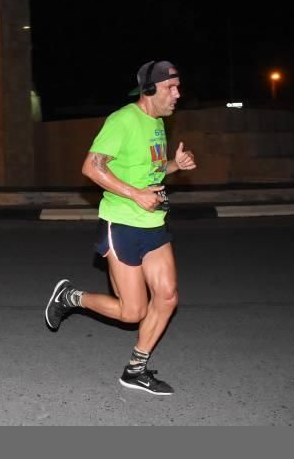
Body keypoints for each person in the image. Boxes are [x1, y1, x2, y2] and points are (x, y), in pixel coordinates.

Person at [45, 60, 197, 396]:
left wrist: (174, 165)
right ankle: (71, 296)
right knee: (133, 311)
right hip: (123, 224)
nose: (177, 94)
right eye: (171, 87)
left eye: (178, 87)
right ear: (151, 89)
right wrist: (136, 195)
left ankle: (135, 370)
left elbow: (147, 171)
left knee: (168, 296)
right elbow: (90, 168)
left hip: (154, 223)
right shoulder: (123, 120)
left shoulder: (157, 123)